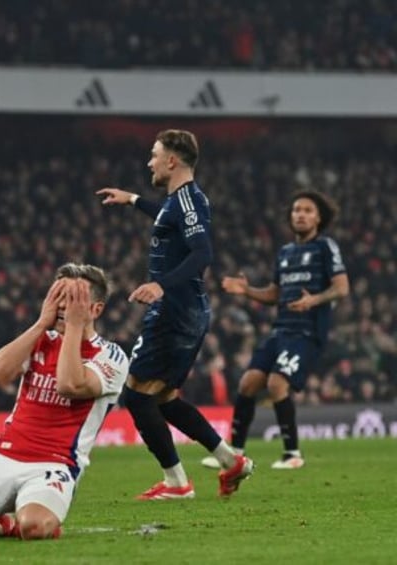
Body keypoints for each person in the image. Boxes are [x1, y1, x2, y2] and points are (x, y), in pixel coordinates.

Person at [0, 263, 128, 542]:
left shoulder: (111, 356)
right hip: (3, 455)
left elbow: (69, 384)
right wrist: (41, 323)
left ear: (96, 309)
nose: (65, 306)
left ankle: (26, 516)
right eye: (60, 297)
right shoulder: (40, 338)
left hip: (55, 463)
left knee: (33, 528)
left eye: (75, 299)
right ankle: (0, 525)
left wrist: (74, 328)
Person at [96, 129, 252, 500]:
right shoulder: (183, 200)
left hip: (176, 312)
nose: (149, 162)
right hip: (187, 311)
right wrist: (132, 199)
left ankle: (177, 483)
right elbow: (167, 216)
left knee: (135, 396)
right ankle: (230, 460)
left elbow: (202, 254)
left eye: (154, 154)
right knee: (163, 398)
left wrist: (161, 285)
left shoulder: (187, 201)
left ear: (172, 160)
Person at [201, 190, 349, 470]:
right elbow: (275, 294)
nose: (301, 215)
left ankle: (293, 454)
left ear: (318, 217)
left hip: (307, 333)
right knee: (247, 384)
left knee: (276, 384)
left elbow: (342, 287)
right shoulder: (285, 252)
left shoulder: (325, 247)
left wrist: (313, 300)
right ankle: (234, 453)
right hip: (280, 331)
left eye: (307, 210)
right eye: (296, 210)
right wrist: (246, 291)